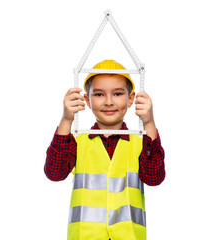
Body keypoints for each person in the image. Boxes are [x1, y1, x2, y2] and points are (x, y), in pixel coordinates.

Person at [44, 60, 165, 240]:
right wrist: (66, 120)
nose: (109, 102)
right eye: (99, 94)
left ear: (131, 99)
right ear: (87, 100)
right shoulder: (78, 142)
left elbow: (154, 178)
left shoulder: (142, 141)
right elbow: (54, 173)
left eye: (117, 93)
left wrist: (149, 123)